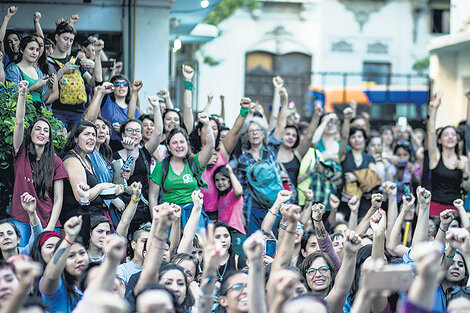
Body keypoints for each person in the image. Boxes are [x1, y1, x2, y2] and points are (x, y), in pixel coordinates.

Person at [10, 80, 67, 246]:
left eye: (46, 130)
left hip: (47, 221)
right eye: (37, 128)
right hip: (21, 218)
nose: (41, 132)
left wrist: (49, 228)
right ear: (31, 133)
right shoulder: (21, 153)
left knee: (47, 265)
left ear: (49, 138)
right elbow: (19, 122)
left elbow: (58, 199)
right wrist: (22, 93)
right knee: (22, 262)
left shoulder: (56, 162)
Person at [149, 112, 215, 231]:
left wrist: (206, 124)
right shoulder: (161, 166)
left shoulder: (195, 162)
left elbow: (210, 146)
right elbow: (153, 196)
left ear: (187, 144)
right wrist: (156, 219)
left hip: (193, 213)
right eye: (174, 143)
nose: (179, 145)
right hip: (169, 214)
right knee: (171, 248)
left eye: (182, 142)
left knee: (196, 248)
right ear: (168, 147)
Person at [237, 88, 289, 235]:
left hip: (276, 204)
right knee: (256, 242)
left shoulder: (271, 149)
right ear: (246, 134)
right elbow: (243, 190)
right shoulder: (244, 159)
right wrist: (242, 214)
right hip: (254, 208)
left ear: (264, 132)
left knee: (275, 241)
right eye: (251, 131)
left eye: (258, 130)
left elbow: (281, 125)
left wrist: (284, 100)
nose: (255, 134)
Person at [60, 121, 122, 239]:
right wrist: (102, 186)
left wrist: (112, 193)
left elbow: (94, 193)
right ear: (76, 139)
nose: (92, 138)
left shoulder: (87, 158)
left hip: (95, 219)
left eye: (93, 134)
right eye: (87, 134)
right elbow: (81, 197)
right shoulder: (72, 160)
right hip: (79, 222)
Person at [427, 93, 470, 216]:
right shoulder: (435, 157)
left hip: (455, 208)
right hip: (435, 207)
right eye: (446, 135)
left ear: (457, 139)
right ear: (439, 140)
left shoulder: (463, 160)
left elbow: (467, 187)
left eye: (453, 135)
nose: (450, 137)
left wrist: (465, 172)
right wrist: (434, 108)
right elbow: (430, 133)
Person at [47, 22, 96, 130]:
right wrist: (62, 71)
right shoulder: (47, 62)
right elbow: (46, 86)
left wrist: (96, 66)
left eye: (71, 40)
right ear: (56, 37)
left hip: (79, 111)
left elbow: (91, 83)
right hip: (57, 110)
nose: (68, 43)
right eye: (65, 38)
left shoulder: (76, 61)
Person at [39, 216, 89, 313]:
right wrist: (69, 237)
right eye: (71, 256)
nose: (79, 259)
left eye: (82, 253)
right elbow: (50, 277)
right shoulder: (57, 287)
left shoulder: (94, 284)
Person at [5, 36, 50, 108]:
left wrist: (50, 88)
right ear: (22, 50)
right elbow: (13, 96)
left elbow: (42, 99)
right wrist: (34, 87)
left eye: (37, 50)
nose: (35, 53)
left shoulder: (38, 71)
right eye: (31, 49)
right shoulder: (13, 70)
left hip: (39, 111)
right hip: (24, 112)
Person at [212, 165, 245, 234]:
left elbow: (239, 192)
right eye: (217, 180)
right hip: (224, 231)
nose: (220, 182)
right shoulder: (221, 197)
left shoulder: (233, 193)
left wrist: (230, 173)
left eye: (223, 179)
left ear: (230, 181)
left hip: (235, 231)